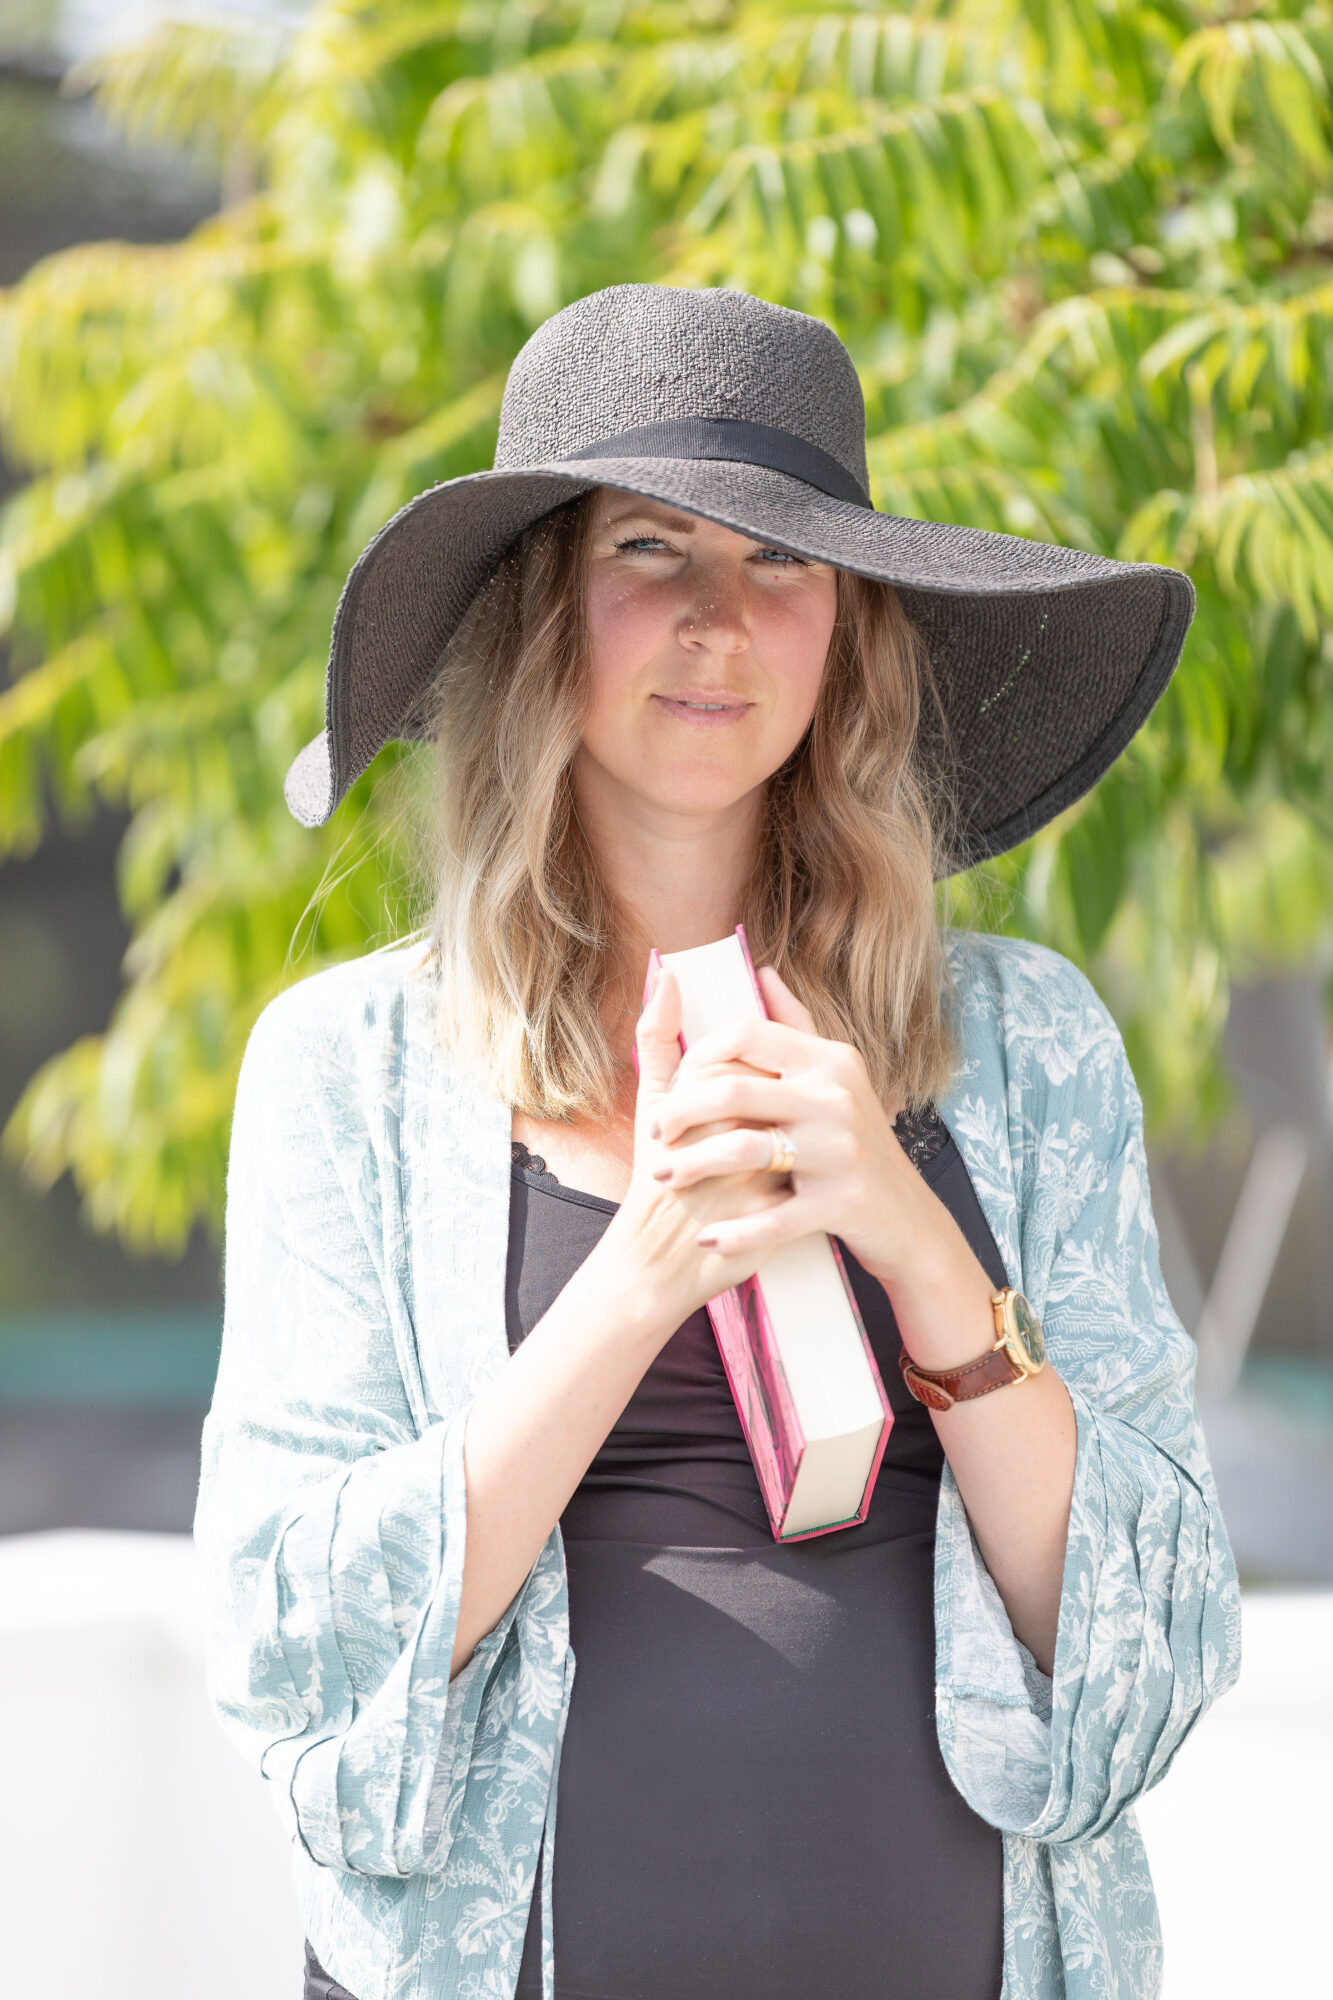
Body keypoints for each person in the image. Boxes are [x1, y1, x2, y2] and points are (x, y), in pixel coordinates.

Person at [194, 284, 1240, 2000]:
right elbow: (304, 1652)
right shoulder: (350, 1070)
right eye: (651, 551)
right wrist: (641, 1274)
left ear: (848, 633)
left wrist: (918, 1247)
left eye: (782, 564)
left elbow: (1153, 1641)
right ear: (544, 615)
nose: (719, 622)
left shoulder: (1030, 1046)